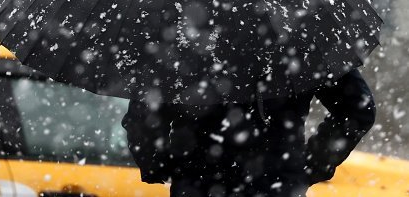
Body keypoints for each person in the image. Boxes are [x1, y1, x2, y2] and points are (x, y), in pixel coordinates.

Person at [121, 68, 376, 197]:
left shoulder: (184, 29)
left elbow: (143, 117)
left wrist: (160, 165)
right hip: (275, 185)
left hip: (199, 184)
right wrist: (308, 167)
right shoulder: (299, 28)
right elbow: (357, 109)